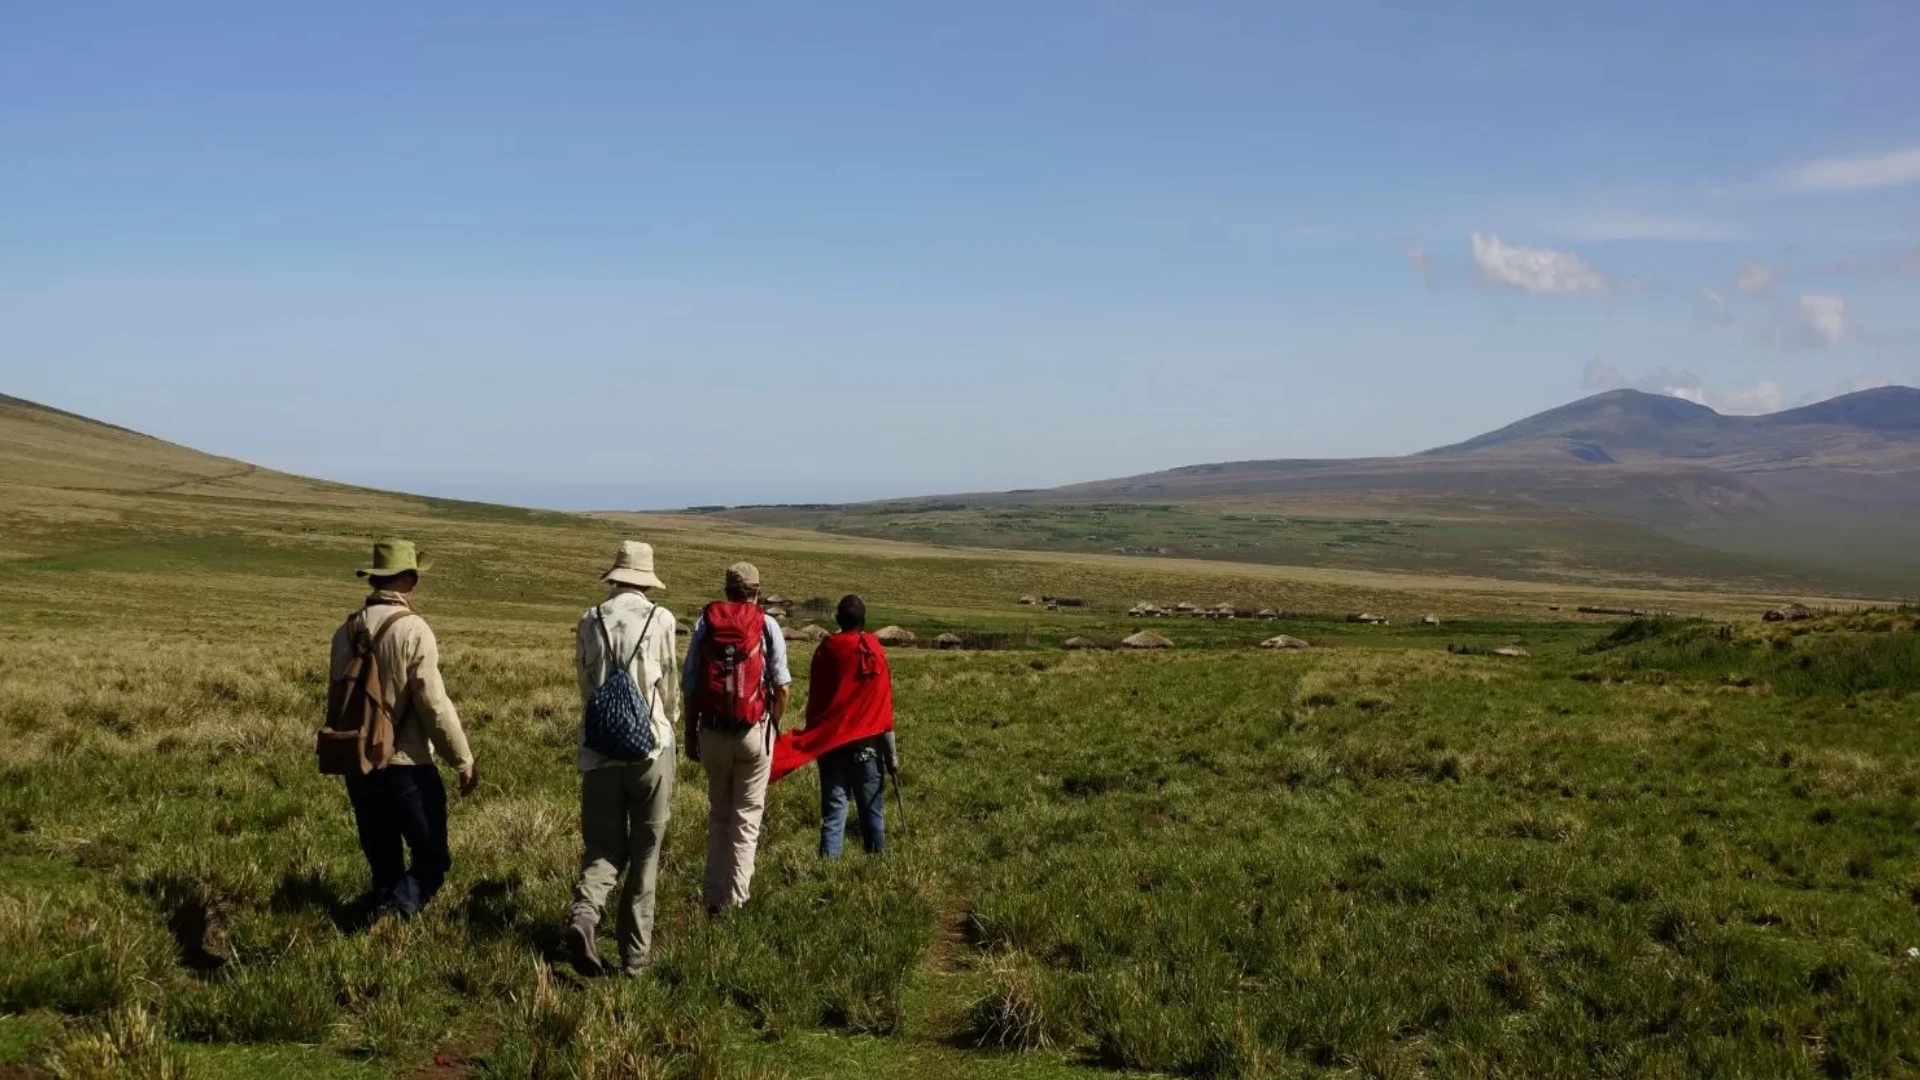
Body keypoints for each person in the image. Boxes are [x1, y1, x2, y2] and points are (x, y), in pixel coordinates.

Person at [328, 538, 478, 919]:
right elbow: (433, 704)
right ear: (409, 581)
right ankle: (395, 915)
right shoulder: (413, 629)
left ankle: (381, 915)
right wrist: (461, 759)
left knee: (382, 858)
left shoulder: (343, 632)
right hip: (406, 762)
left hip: (357, 758)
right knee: (432, 859)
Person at [565, 541, 678, 977]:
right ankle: (634, 960)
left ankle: (586, 914)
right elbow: (667, 686)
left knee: (602, 847)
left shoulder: (590, 619)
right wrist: (668, 729)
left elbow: (584, 684)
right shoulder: (661, 619)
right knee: (646, 854)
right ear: (646, 579)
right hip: (650, 749)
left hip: (599, 753)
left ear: (615, 577)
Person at [682, 561, 791, 915]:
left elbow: (691, 685)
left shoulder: (705, 623)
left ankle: (712, 899)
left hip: (711, 731)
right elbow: (783, 687)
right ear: (757, 591)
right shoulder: (767, 625)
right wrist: (771, 724)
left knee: (719, 817)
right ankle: (737, 903)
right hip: (753, 732)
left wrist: (690, 732)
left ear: (727, 590)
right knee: (747, 819)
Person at [771, 595, 898, 857]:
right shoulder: (874, 650)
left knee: (834, 812)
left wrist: (817, 729)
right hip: (867, 747)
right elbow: (884, 708)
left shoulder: (827, 649)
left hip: (831, 744)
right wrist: (891, 756)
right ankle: (877, 867)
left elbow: (818, 698)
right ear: (864, 620)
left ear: (838, 619)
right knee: (871, 810)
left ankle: (827, 872)